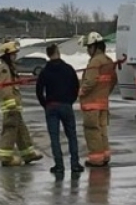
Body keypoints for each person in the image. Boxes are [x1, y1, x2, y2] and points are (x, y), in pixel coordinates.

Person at [36, 43, 84, 174]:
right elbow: (76, 86)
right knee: (72, 136)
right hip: (66, 105)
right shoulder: (68, 69)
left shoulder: (45, 71)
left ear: (48, 54)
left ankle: (59, 165)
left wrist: (45, 104)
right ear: (58, 52)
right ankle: (74, 164)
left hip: (51, 106)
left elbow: (39, 90)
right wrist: (70, 100)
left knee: (54, 137)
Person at [0, 41, 44, 167]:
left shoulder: (9, 67)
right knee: (10, 130)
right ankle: (6, 158)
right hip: (11, 107)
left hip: (15, 106)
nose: (15, 57)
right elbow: (5, 87)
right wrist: (11, 103)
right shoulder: (4, 68)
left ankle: (28, 154)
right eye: (12, 55)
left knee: (21, 130)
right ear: (6, 55)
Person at [78, 31, 118, 167]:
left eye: (89, 47)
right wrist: (105, 93)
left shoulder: (95, 62)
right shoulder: (108, 61)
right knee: (102, 131)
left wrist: (81, 92)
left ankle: (96, 159)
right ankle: (105, 155)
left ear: (94, 47)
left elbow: (90, 81)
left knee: (92, 131)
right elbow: (113, 81)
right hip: (103, 104)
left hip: (91, 105)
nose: (88, 51)